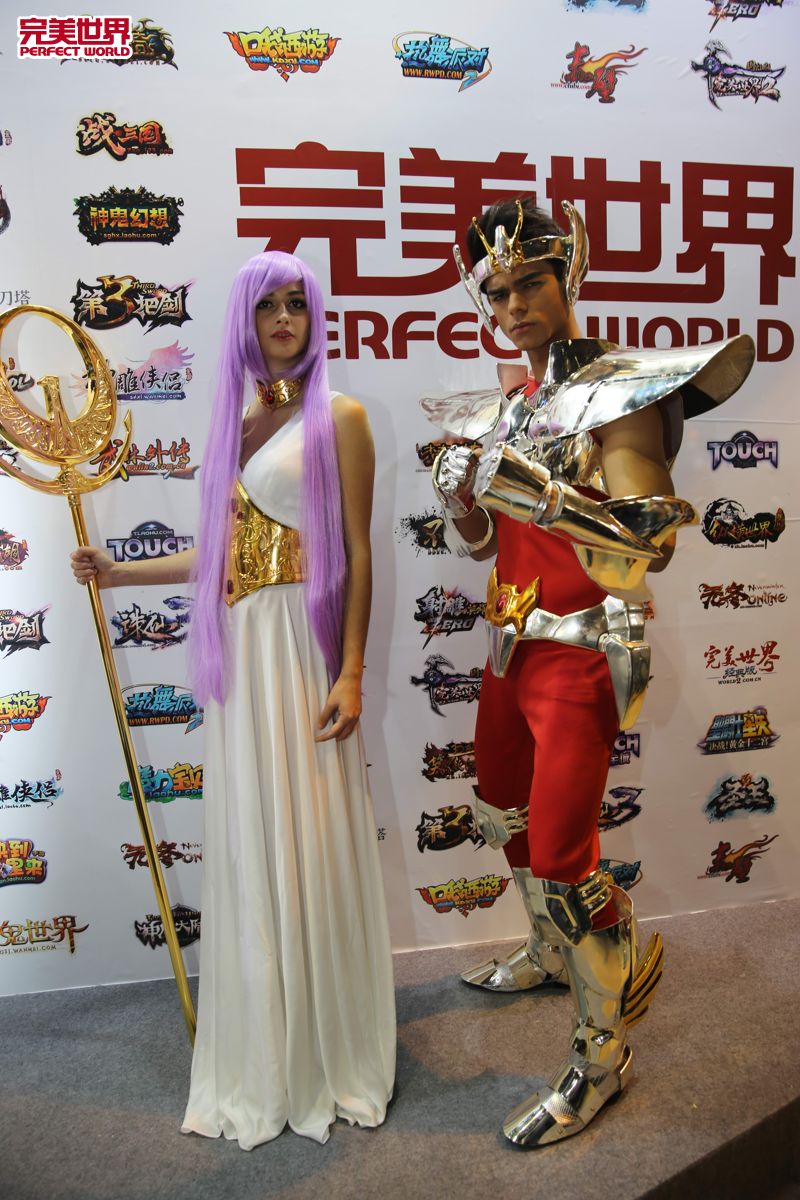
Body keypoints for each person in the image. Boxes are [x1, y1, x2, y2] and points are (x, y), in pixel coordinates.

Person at [424, 198, 753, 1147]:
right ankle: (542, 950)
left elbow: (651, 547)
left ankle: (602, 1055)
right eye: (496, 292)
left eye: (530, 282)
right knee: (503, 812)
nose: (513, 305)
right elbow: (483, 543)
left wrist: (545, 496)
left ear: (568, 275)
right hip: (508, 643)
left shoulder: (622, 391)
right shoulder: (510, 404)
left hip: (579, 649)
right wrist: (463, 501)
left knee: (568, 862)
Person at [71, 251, 396, 1149]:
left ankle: (325, 1047)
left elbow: (358, 553)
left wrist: (351, 670)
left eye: (297, 304)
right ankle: (265, 1045)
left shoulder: (341, 417)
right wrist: (118, 571)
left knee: (313, 836)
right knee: (256, 839)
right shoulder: (237, 425)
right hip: (243, 660)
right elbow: (217, 555)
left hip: (300, 648)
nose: (284, 319)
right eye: (267, 306)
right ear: (243, 323)